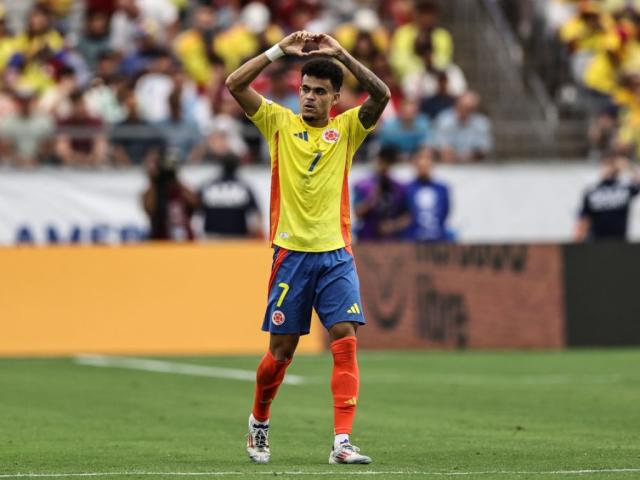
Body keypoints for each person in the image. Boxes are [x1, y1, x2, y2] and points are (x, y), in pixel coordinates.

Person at [225, 30, 390, 465]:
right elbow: (234, 85)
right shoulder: (278, 123)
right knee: (281, 354)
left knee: (345, 340)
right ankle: (259, 422)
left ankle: (342, 442)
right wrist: (278, 51)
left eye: (320, 91)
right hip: (290, 256)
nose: (310, 98)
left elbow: (382, 94)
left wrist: (343, 55)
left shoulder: (348, 129)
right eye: (305, 89)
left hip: (336, 254)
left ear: (336, 97)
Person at [574, 154, 640, 241]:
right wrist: (577, 239)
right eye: (605, 165)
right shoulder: (592, 191)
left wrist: (628, 166)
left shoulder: (625, 188)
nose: (607, 168)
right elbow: (583, 218)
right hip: (596, 241)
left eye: (610, 165)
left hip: (619, 241)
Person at [198, 154, 264, 239]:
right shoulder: (243, 187)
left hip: (212, 238)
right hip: (238, 239)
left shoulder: (208, 186)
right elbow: (255, 214)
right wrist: (255, 233)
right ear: (237, 166)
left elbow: (197, 210)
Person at [353, 146, 408, 240]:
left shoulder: (400, 187)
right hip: (367, 236)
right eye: (382, 161)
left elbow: (408, 216)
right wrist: (373, 198)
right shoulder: (363, 185)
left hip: (392, 239)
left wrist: (393, 225)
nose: (384, 166)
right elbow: (357, 212)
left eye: (388, 162)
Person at [404, 146, 451, 242]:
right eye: (420, 158)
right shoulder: (407, 188)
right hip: (412, 237)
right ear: (415, 163)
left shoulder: (442, 189)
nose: (424, 162)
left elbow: (445, 212)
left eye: (427, 158)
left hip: (438, 236)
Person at [433, 91, 492, 163]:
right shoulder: (444, 120)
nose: (465, 110)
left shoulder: (481, 123)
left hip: (474, 167)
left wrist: (470, 155)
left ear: (474, 109)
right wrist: (445, 151)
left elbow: (484, 149)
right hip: (447, 165)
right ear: (456, 105)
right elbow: (437, 145)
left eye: (470, 108)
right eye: (462, 107)